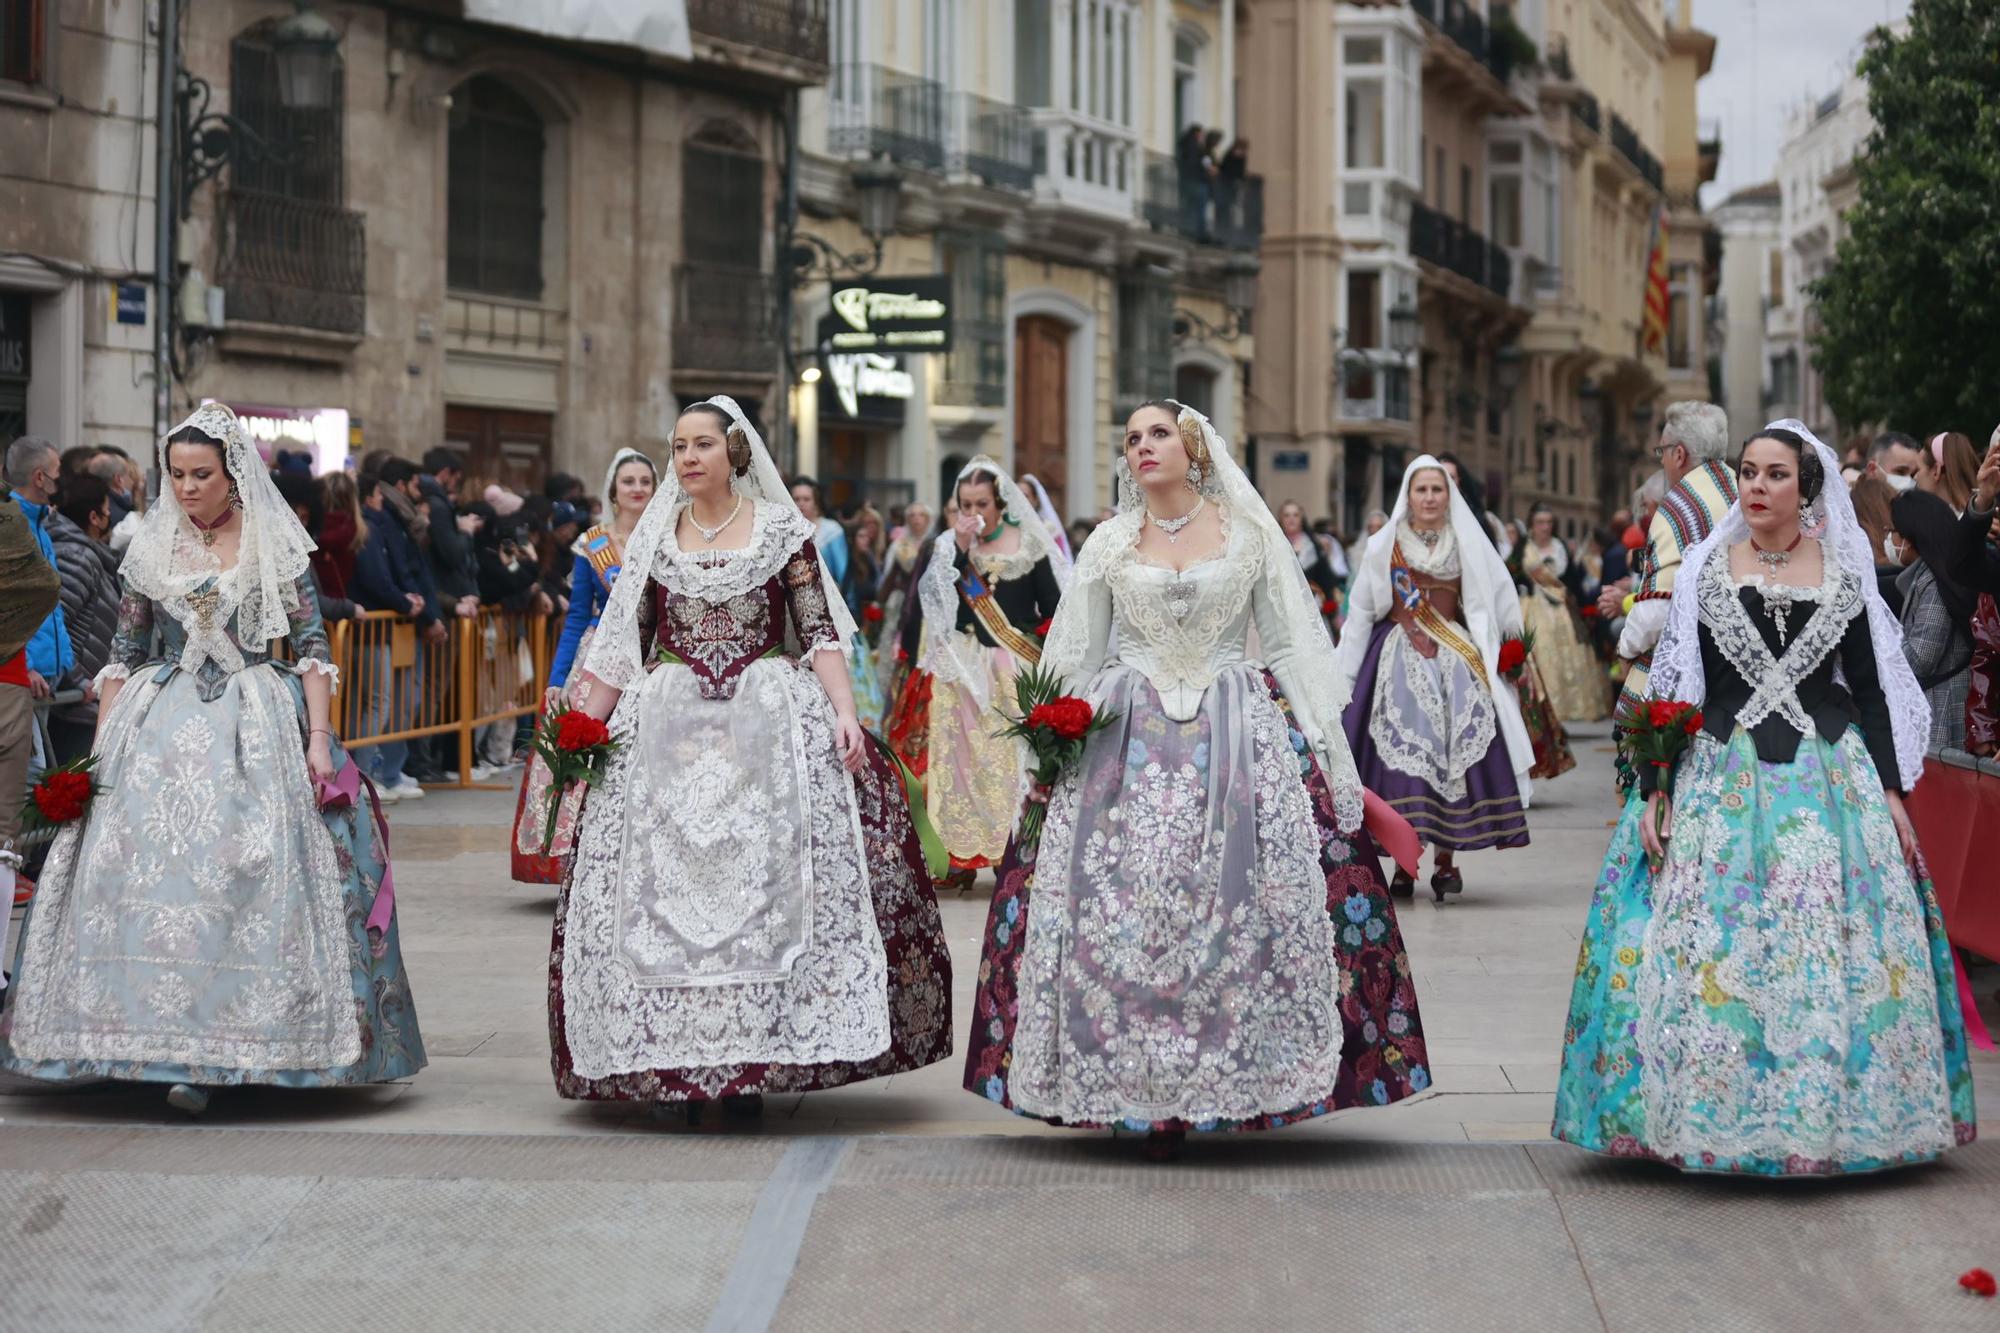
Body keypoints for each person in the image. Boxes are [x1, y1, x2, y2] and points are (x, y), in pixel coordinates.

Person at [963, 400, 1429, 1159]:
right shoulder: (1111, 542)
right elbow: (1076, 652)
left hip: (1234, 730)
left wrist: (1325, 749)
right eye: (1132, 439)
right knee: (1122, 905)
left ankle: (1229, 1077)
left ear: (1195, 448)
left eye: (1157, 434)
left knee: (1242, 899)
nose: (1143, 447)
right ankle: (1133, 1084)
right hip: (1124, 737)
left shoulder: (1246, 537)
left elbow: (1284, 645)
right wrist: (1042, 746)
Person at [1554, 421, 1975, 1176]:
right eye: (1748, 471)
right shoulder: (1707, 573)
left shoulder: (1845, 576)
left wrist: (1891, 794)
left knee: (1820, 942)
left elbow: (1872, 695)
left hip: (1825, 776)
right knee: (1717, 941)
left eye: (1774, 474)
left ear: (1805, 489)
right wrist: (1657, 788)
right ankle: (1708, 1106)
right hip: (1721, 769)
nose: (1755, 486)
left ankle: (1825, 1113)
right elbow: (1676, 691)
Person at [0, 404, 425, 1114]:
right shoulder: (152, 548)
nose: (187, 487)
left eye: (202, 474)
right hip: (155, 724)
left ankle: (238, 1045)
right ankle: (137, 1040)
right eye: (176, 475)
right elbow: (126, 656)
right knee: (137, 877)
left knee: (248, 871)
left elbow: (312, 646)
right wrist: (96, 758)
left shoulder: (273, 547)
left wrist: (318, 739)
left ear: (235, 476)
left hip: (254, 717)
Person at [547, 396, 951, 1119]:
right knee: (660, 895)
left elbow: (819, 629)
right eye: (678, 446)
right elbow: (620, 646)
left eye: (702, 444)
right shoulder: (655, 540)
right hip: (668, 725)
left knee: (766, 891)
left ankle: (754, 1063)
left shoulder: (778, 531)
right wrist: (583, 730)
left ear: (733, 452)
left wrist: (845, 714)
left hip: (765, 720)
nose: (688, 457)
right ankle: (674, 1060)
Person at [1335, 456, 1534, 899]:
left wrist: (1511, 653)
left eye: (1437, 490)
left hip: (1456, 661)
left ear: (1450, 495)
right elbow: (1363, 612)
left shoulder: (1467, 541)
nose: (1429, 497)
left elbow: (1499, 597)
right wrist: (1342, 680)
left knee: (1454, 757)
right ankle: (1406, 861)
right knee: (1401, 765)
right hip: (1394, 657)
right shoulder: (1384, 545)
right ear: (1407, 495)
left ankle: (1447, 859)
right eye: (1421, 489)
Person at [907, 456, 1067, 885]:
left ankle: (1007, 851)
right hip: (962, 670)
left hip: (1010, 670)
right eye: (964, 504)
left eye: (981, 504)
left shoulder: (1029, 545)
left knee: (1008, 763)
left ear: (1001, 504)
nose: (972, 514)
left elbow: (1054, 608)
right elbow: (934, 603)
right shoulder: (948, 546)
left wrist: (1033, 642)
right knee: (959, 763)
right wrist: (958, 551)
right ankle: (959, 855)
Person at [1611, 402, 1737, 728]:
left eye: (1663, 452)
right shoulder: (1739, 488)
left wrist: (1626, 649)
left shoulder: (1677, 508)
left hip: (1689, 677)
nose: (1663, 461)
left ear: (1679, 455)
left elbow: (1659, 606)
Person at [348, 472, 436, 803]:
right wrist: (404, 601)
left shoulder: (373, 526)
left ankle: (375, 771)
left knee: (376, 702)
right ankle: (366, 773)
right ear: (369, 497)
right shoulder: (370, 529)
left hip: (373, 627)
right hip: (370, 630)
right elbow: (378, 578)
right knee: (376, 702)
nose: (382, 501)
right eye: (377, 495)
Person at [547, 448, 657, 694]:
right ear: (613, 492)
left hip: (653, 656)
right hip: (602, 656)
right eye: (628, 481)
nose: (637, 488)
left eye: (645, 482)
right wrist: (557, 678)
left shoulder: (668, 540)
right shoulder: (593, 543)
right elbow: (577, 616)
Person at [0, 490, 61, 909]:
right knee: (4, 835)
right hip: (9, 681)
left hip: (11, 683)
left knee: (6, 835)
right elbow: (44, 585)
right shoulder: (10, 519)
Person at [45, 473, 127, 763]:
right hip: (75, 706)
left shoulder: (87, 553)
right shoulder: (77, 557)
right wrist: (78, 682)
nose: (111, 515)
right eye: (107, 508)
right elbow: (55, 625)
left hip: (86, 701)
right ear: (94, 517)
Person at [1890, 489, 1977, 752]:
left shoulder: (1934, 581)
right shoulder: (1938, 573)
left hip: (1941, 712)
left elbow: (1921, 656)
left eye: (1893, 531)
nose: (1890, 539)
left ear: (1912, 537)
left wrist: (1881, 652)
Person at [1515, 504, 1607, 722]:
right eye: (1540, 522)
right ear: (1532, 525)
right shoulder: (1523, 548)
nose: (1545, 527)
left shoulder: (1560, 547)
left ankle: (1565, 707)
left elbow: (1573, 580)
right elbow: (1511, 573)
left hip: (1560, 609)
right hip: (1531, 606)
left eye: (1549, 522)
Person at [5, 436, 74, 704]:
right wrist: (24, 666)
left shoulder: (38, 524)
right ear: (39, 477)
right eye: (57, 473)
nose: (61, 480)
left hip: (42, 679)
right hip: (22, 681)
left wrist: (66, 664)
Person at [874, 501, 931, 693]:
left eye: (921, 515)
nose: (916, 520)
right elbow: (889, 575)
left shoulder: (935, 545)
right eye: (912, 515)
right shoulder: (899, 545)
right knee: (894, 641)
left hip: (925, 603)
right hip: (902, 601)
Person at [1278, 499, 1339, 602]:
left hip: (1311, 603)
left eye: (1295, 515)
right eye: (1287, 515)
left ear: (1301, 519)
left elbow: (1325, 580)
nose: (1291, 519)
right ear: (1281, 519)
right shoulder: (1275, 544)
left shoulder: (1313, 546)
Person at [1917, 431, 1980, 514]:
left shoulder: (1932, 523)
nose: (1915, 477)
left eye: (1918, 469)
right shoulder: (1984, 514)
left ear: (1936, 471)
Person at [1018, 474, 1071, 562]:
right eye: (1016, 494)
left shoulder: (1049, 529)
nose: (1019, 498)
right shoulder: (1004, 526)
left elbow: (1060, 562)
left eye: (1025, 496)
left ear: (1035, 500)